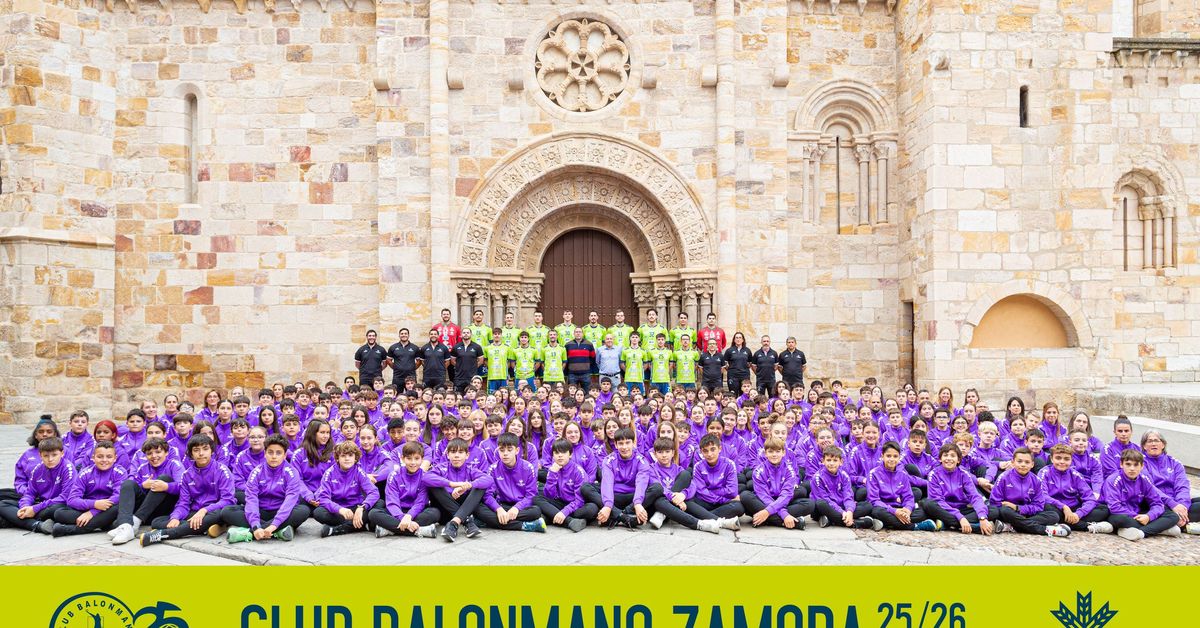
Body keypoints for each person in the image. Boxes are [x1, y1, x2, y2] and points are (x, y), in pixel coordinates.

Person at [139, 435, 235, 545]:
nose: (201, 453)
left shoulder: (222, 471)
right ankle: (204, 528)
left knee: (218, 515)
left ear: (212, 451)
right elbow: (183, 503)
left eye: (205, 449)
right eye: (196, 450)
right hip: (194, 512)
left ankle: (163, 534)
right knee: (157, 522)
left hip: (214, 511)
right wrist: (175, 517)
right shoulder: (187, 475)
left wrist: (204, 510)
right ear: (191, 454)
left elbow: (228, 500)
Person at [221, 434, 308, 543]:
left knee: (303, 510)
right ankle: (278, 532)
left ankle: (249, 533)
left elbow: (289, 501)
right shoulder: (256, 472)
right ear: (265, 453)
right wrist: (255, 525)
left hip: (281, 511)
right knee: (227, 511)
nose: (274, 456)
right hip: (260, 510)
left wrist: (273, 525)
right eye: (270, 452)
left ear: (285, 455)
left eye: (278, 453)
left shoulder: (292, 472)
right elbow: (251, 499)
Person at [109, 437, 185, 545]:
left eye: (158, 452)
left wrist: (166, 486)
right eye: (149, 453)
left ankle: (134, 523)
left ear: (166, 452)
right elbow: (133, 489)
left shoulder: (174, 464)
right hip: (147, 509)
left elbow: (183, 488)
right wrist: (143, 486)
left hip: (165, 507)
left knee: (163, 479)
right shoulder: (143, 467)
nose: (154, 456)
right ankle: (125, 525)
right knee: (127, 484)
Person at [46, 440, 125, 537]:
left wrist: (92, 513)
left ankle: (69, 529)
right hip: (87, 508)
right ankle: (102, 524)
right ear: (93, 457)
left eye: (109, 457)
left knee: (117, 508)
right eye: (100, 456)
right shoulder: (85, 473)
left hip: (108, 509)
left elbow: (118, 497)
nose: (104, 460)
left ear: (115, 458)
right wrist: (94, 504)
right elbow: (72, 500)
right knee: (59, 513)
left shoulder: (120, 472)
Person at [989, 447, 1071, 537]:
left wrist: (1018, 508)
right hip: (1009, 513)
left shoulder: (1036, 480)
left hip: (1027, 513)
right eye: (1019, 461)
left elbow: (1038, 506)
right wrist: (1011, 508)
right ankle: (1045, 530)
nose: (1023, 465)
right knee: (1004, 510)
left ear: (1032, 464)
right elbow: (994, 502)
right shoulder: (1003, 477)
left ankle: (1011, 526)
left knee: (1053, 515)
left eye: (1027, 462)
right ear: (1013, 462)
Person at [1102, 448, 1181, 541]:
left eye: (1136, 465)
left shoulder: (1145, 479)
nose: (1132, 468)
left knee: (1173, 516)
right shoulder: (1113, 480)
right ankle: (1159, 529)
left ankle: (1141, 532)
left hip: (1138, 513)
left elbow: (1157, 503)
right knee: (1120, 520)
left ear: (1142, 466)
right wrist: (1137, 516)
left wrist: (1149, 516)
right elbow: (1114, 507)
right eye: (1128, 464)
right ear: (1121, 464)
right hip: (1119, 514)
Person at [424, 438, 492, 542]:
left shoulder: (470, 469)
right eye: (453, 452)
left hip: (464, 509)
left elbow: (488, 479)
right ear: (447, 455)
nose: (456, 455)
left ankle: (454, 523)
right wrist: (452, 484)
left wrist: (468, 485)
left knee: (479, 487)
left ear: (467, 455)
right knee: (434, 484)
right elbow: (425, 477)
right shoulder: (441, 468)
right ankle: (467, 522)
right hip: (445, 511)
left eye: (460, 452)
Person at [474, 433, 546, 532]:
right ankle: (524, 525)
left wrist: (517, 508)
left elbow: (531, 495)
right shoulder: (493, 469)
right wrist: (498, 509)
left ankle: (490, 521)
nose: (505, 453)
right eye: (502, 450)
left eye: (509, 449)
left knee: (535, 511)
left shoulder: (528, 468)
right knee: (478, 508)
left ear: (517, 450)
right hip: (502, 505)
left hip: (521, 506)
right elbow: (487, 495)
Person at [0, 437, 73, 533]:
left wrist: (34, 509)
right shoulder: (37, 470)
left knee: (56, 511)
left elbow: (65, 497)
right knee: (3, 504)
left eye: (54, 455)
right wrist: (25, 507)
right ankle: (38, 525)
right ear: (40, 455)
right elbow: (29, 493)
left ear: (62, 453)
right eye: (46, 456)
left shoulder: (68, 468)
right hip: (41, 504)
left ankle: (16, 521)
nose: (50, 459)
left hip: (56, 505)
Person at [585, 428, 653, 528]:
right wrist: (608, 505)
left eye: (627, 443)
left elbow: (641, 483)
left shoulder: (641, 460)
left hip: (632, 497)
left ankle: (616, 515)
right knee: (585, 487)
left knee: (657, 488)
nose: (624, 447)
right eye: (621, 443)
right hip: (614, 496)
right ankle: (624, 517)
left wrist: (637, 503)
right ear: (616, 445)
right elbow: (607, 483)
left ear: (633, 443)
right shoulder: (608, 460)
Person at [923, 443, 997, 535]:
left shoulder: (963, 474)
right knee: (928, 504)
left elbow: (975, 496)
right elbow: (937, 500)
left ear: (958, 460)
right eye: (945, 455)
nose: (949, 458)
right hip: (944, 509)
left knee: (993, 510)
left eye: (953, 456)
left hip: (962, 509)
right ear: (940, 459)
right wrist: (960, 518)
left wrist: (982, 518)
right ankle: (970, 526)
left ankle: (949, 525)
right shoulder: (934, 474)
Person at [370, 441, 440, 538]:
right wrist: (402, 517)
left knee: (435, 513)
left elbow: (420, 502)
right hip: (397, 511)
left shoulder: (425, 476)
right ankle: (419, 530)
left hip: (416, 512)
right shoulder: (394, 475)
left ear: (422, 459)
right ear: (402, 458)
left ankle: (390, 529)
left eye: (416, 458)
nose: (413, 462)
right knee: (373, 513)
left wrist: (409, 516)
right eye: (409, 458)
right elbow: (392, 502)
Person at [739, 437, 812, 529]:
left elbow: (786, 495)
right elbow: (764, 496)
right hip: (764, 501)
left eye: (778, 451)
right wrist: (784, 515)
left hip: (782, 500)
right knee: (745, 495)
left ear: (783, 453)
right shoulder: (758, 471)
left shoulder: (789, 470)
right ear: (765, 453)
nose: (774, 455)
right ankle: (788, 522)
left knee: (809, 504)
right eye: (770, 452)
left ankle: (764, 518)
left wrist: (767, 512)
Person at [313, 441, 380, 537]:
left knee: (379, 503)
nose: (347, 458)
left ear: (355, 458)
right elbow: (323, 498)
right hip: (338, 511)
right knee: (318, 512)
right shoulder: (329, 473)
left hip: (356, 507)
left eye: (350, 455)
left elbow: (374, 492)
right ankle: (361, 525)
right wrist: (340, 509)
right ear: (337, 458)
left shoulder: (359, 471)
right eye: (343, 456)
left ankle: (336, 529)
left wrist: (362, 507)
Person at [1137, 431, 1199, 535]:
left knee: (1192, 504)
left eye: (1157, 440)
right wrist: (1172, 504)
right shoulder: (1140, 463)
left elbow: (1182, 486)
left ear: (1163, 444)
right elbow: (1150, 488)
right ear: (1144, 446)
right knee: (1167, 513)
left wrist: (1182, 506)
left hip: (1176, 503)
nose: (1153, 444)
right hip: (1155, 503)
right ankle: (1178, 523)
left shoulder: (1175, 463)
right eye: (1149, 441)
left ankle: (1175, 522)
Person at [1038, 444, 1110, 534]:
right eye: (1058, 458)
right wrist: (1063, 507)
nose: (1062, 462)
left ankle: (1066, 521)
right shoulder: (1044, 472)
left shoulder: (1076, 475)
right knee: (1047, 508)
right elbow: (1042, 495)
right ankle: (1086, 527)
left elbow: (1090, 498)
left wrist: (1078, 514)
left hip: (1073, 509)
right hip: (1055, 508)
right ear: (1052, 459)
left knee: (1103, 509)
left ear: (1071, 460)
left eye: (1066, 459)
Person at [867, 442, 938, 531]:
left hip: (899, 507)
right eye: (888, 456)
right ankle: (915, 526)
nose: (892, 459)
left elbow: (908, 496)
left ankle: (888, 523)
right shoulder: (874, 473)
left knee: (922, 513)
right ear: (882, 456)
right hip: (885, 508)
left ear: (899, 457)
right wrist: (894, 511)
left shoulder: (903, 474)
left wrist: (907, 509)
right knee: (877, 511)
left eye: (895, 456)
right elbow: (874, 500)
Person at [534, 439, 597, 532]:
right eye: (556, 453)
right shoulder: (553, 469)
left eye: (563, 452)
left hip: (576, 505)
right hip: (560, 502)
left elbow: (579, 500)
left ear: (570, 454)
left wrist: (564, 512)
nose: (560, 455)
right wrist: (552, 474)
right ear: (553, 455)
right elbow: (549, 495)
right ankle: (569, 521)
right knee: (536, 497)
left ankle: (552, 516)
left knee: (592, 508)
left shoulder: (578, 471)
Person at [685, 434, 744, 529]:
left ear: (719, 449)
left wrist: (710, 492)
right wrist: (723, 498)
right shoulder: (698, 466)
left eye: (713, 449)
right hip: (706, 501)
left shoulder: (729, 464)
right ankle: (720, 521)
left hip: (721, 504)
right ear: (701, 452)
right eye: (705, 451)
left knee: (739, 507)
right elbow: (701, 492)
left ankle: (703, 516)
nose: (709, 454)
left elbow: (732, 491)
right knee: (688, 502)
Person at [810, 445, 877, 529]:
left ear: (841, 462)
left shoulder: (844, 476)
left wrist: (849, 511)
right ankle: (856, 523)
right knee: (821, 504)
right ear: (823, 461)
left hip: (840, 506)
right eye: (828, 460)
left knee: (867, 505)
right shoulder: (818, 477)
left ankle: (831, 520)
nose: (831, 463)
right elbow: (825, 499)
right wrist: (842, 512)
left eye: (835, 460)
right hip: (826, 507)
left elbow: (848, 496)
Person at [450, 328, 484, 394]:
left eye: (468, 333)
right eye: (464, 332)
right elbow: (452, 361)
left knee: (471, 395)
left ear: (471, 334)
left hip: (472, 377)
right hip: (459, 377)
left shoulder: (477, 347)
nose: (466, 334)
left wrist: (473, 367)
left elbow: (481, 361)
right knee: (459, 396)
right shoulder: (456, 347)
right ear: (461, 335)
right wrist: (459, 366)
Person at [564, 327, 595, 393]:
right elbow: (565, 359)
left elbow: (593, 357)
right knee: (572, 393)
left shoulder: (589, 344)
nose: (578, 333)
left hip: (585, 374)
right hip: (572, 374)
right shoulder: (568, 345)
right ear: (574, 334)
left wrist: (586, 366)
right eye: (576, 332)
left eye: (580, 332)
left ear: (582, 334)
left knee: (587, 392)